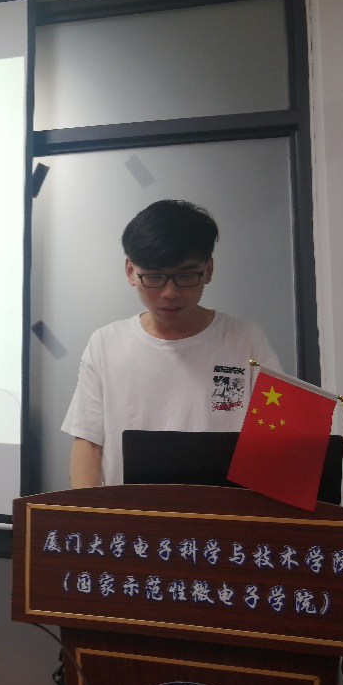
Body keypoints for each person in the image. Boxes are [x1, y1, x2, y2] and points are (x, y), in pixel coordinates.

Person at [62, 199, 281, 488]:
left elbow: (277, 439)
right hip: (132, 513)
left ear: (208, 269)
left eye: (186, 276)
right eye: (153, 277)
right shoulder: (106, 343)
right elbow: (89, 443)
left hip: (222, 510)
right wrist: (83, 513)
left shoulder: (245, 339)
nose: (170, 293)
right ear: (130, 271)